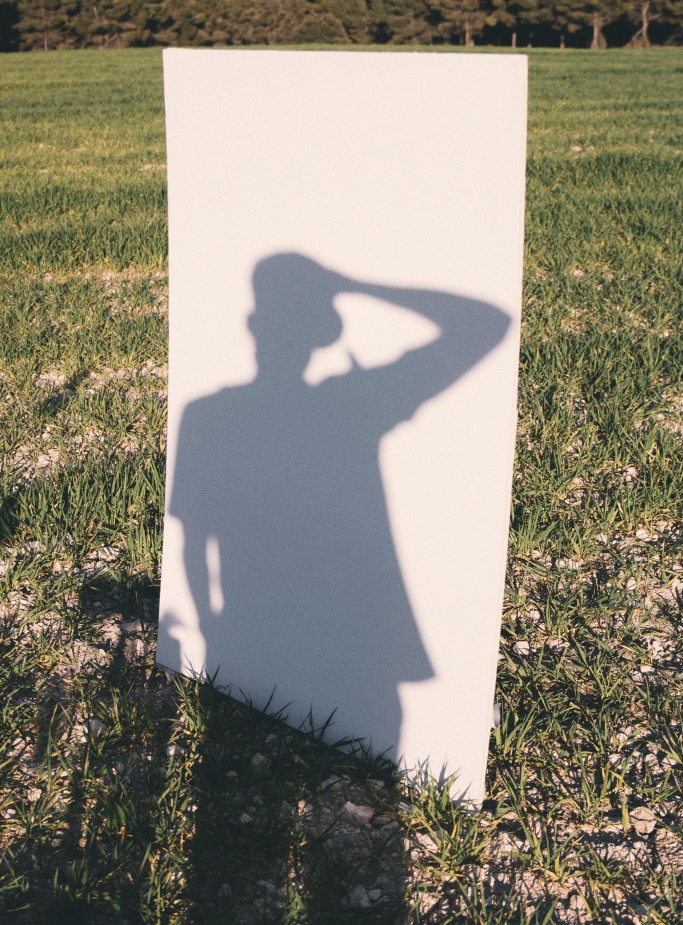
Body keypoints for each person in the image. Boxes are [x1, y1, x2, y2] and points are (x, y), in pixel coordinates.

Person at [169, 252, 510, 757]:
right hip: (351, 640)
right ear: (320, 334)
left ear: (253, 325)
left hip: (257, 632)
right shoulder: (354, 401)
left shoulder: (208, 414)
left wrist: (209, 625)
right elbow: (485, 324)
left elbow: (194, 537)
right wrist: (355, 284)